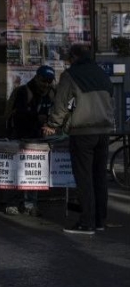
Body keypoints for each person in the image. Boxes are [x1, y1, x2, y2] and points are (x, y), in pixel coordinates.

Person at [42, 45, 114, 234]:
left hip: (83, 132)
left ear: (74, 57)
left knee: (84, 178)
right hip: (104, 131)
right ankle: (99, 220)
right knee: (99, 177)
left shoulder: (70, 75)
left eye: (68, 59)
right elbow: (111, 95)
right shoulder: (101, 73)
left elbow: (60, 103)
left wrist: (52, 124)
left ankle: (86, 223)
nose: (68, 62)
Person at [4, 65, 56, 216]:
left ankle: (30, 204)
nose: (46, 84)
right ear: (37, 77)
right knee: (16, 170)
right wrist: (36, 117)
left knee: (34, 172)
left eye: (49, 81)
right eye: (44, 80)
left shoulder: (51, 93)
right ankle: (13, 203)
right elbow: (18, 114)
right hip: (19, 135)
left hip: (37, 137)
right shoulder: (23, 91)